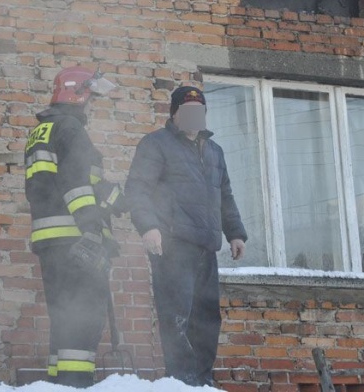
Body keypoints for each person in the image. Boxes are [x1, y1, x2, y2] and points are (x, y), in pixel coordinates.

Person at [125, 85, 247, 387]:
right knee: (177, 316)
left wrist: (235, 233)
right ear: (175, 113)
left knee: (206, 318)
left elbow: (225, 195)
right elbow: (137, 189)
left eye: (201, 111)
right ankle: (180, 382)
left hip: (206, 247)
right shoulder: (156, 144)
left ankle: (202, 381)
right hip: (173, 245)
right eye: (189, 111)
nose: (196, 116)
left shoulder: (214, 151)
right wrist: (148, 227)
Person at [24, 66, 125, 388]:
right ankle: (75, 386)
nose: (93, 107)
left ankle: (59, 386)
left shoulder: (45, 130)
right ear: (78, 94)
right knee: (83, 322)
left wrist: (106, 193)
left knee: (64, 321)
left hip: (52, 241)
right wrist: (93, 230)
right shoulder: (71, 129)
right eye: (92, 99)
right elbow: (75, 185)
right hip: (75, 239)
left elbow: (57, 183)